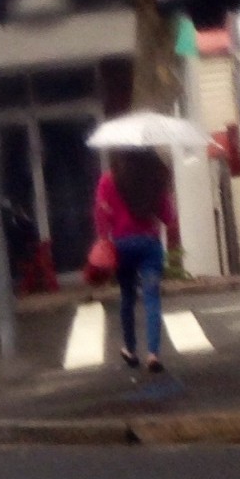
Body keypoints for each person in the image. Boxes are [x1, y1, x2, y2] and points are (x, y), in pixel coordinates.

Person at [93, 148, 180, 373]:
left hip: (122, 247)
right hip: (149, 245)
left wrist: (104, 238)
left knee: (127, 297)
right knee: (152, 298)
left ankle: (130, 349)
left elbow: (102, 214)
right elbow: (168, 216)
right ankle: (153, 354)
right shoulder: (152, 179)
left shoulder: (109, 180)